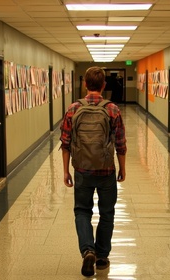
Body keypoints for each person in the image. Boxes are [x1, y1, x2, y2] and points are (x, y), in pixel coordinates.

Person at [60, 66, 127, 277]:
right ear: (104, 85)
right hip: (106, 170)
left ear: (84, 84)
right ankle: (102, 256)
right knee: (107, 213)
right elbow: (120, 143)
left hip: (82, 170)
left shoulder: (73, 109)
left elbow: (65, 143)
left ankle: (87, 249)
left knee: (82, 211)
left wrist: (65, 171)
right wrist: (122, 168)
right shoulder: (113, 109)